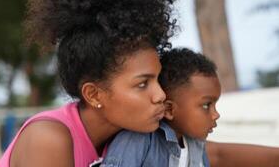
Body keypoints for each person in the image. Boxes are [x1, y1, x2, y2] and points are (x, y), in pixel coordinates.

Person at [0, 0, 180, 166]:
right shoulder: (48, 138)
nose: (160, 95)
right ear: (93, 95)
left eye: (157, 79)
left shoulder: (132, 135)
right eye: (142, 84)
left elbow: (213, 152)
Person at [101, 48, 279, 167]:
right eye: (206, 105)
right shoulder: (137, 140)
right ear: (169, 110)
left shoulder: (193, 145)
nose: (216, 115)